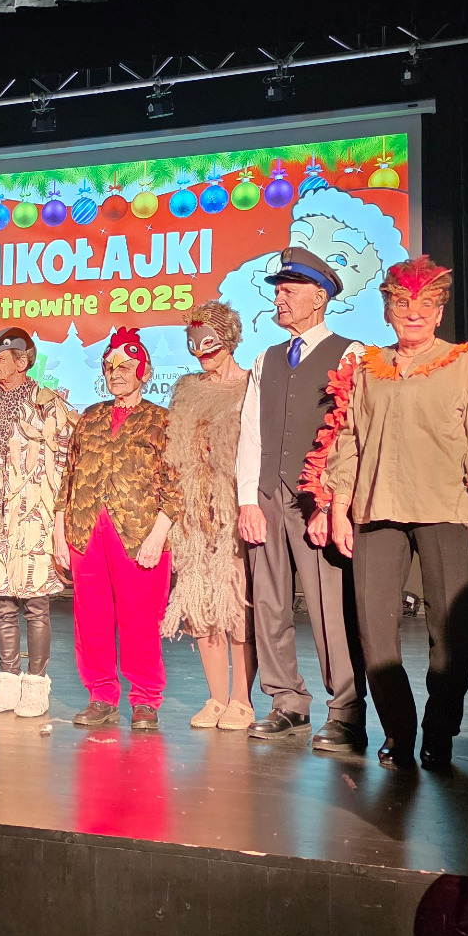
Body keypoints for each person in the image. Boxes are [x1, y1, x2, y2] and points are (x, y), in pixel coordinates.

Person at [317, 257, 468, 771]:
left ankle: (439, 732)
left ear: (440, 312)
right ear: (387, 311)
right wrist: (338, 507)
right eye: (401, 304)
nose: (413, 313)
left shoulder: (463, 365)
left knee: (450, 631)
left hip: (448, 507)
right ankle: (398, 731)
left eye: (425, 305)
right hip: (376, 508)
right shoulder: (368, 369)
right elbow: (348, 440)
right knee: (374, 629)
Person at [234, 249, 369, 752]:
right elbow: (251, 432)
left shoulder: (351, 354)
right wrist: (249, 499)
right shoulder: (265, 359)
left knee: (330, 607)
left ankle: (346, 709)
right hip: (269, 494)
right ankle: (286, 702)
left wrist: (333, 503)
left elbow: (352, 433)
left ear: (319, 297)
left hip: (317, 500)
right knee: (269, 604)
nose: (279, 299)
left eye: (289, 291)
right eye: (277, 291)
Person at [59, 328, 182, 730]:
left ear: (144, 372)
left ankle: (145, 698)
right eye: (111, 366)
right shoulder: (89, 417)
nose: (117, 373)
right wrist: (61, 534)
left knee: (140, 620)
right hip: (87, 531)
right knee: (91, 619)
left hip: (139, 533)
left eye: (127, 366)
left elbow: (177, 483)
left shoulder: (162, 421)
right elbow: (68, 478)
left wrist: (158, 534)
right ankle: (101, 695)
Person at [0, 326, 75, 719]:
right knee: (1, 604)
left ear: (22, 361)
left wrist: (59, 520)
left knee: (36, 605)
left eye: (0, 359)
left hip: (33, 516)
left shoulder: (48, 405)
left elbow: (64, 464)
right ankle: (8, 683)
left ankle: (36, 684)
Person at [159, 302, 255, 731]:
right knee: (200, 605)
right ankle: (216, 698)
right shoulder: (186, 388)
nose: (202, 353)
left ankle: (242, 700)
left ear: (229, 339)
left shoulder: (251, 385)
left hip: (234, 510)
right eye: (194, 345)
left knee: (236, 606)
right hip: (194, 514)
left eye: (209, 343)